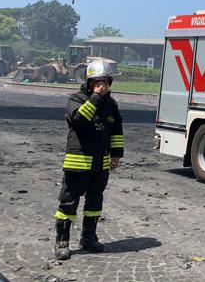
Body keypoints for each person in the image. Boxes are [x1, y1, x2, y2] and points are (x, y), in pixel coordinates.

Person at [53, 60, 123, 260]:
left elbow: (116, 129)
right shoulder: (76, 98)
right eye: (98, 81)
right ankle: (62, 241)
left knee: (95, 201)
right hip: (78, 163)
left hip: (100, 164)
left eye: (106, 81)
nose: (103, 85)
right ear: (89, 82)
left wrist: (116, 154)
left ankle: (89, 237)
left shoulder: (111, 104)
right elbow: (78, 121)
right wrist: (95, 98)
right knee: (68, 203)